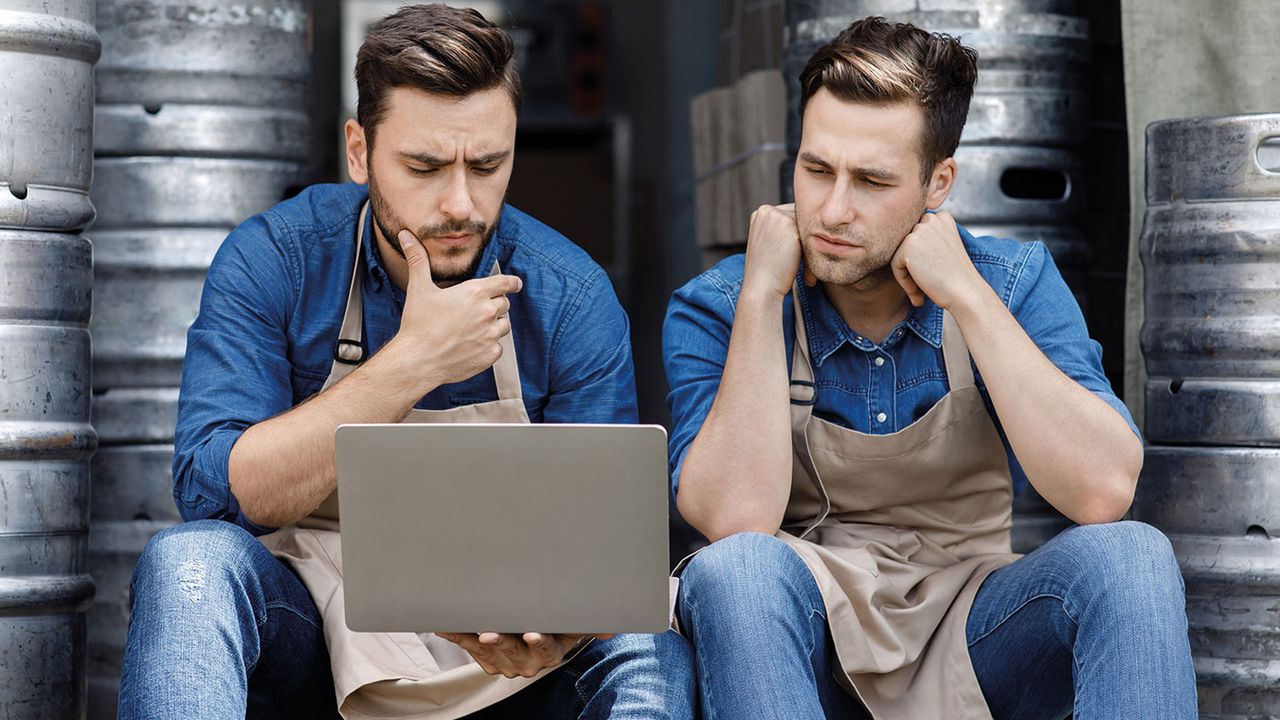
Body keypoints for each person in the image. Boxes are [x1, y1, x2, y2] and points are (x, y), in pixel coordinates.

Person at [117, 5, 693, 719]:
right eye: (424, 166)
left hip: (508, 664)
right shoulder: (279, 259)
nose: (460, 203)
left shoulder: (570, 296)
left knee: (651, 651)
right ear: (358, 151)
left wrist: (559, 628)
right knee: (189, 564)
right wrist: (413, 362)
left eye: (487, 165)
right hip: (325, 638)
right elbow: (214, 494)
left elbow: (604, 554)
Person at [662, 17, 1196, 720]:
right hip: (800, 650)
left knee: (1131, 558)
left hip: (972, 627)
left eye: (872, 180)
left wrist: (966, 295)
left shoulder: (1006, 284)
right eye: (816, 169)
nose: (832, 208)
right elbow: (735, 519)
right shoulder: (722, 304)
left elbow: (1102, 492)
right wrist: (764, 294)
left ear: (938, 183)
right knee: (733, 569)